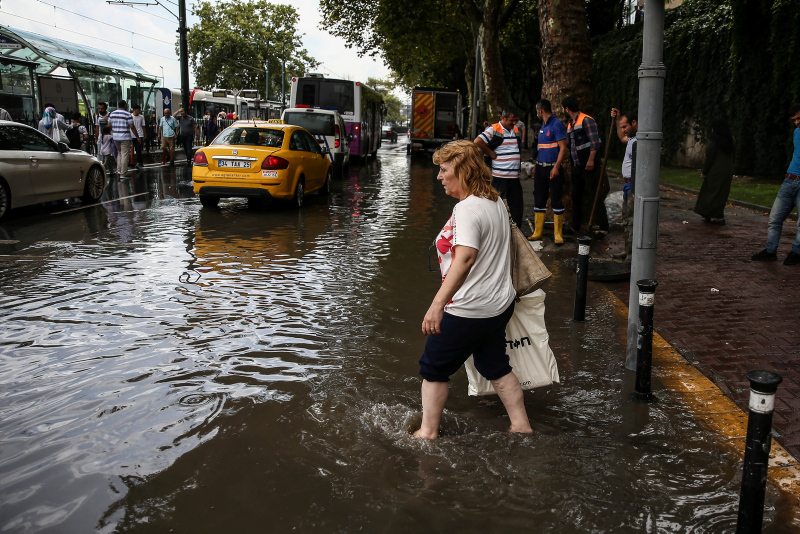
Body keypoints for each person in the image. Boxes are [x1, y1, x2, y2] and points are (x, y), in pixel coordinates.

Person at [414, 140, 533, 440]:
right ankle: (521, 426)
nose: (439, 176)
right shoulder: (495, 202)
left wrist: (437, 304)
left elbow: (466, 258)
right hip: (498, 305)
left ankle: (427, 433)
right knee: (493, 363)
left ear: (463, 171)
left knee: (434, 368)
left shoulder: (467, 209)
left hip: (469, 308)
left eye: (443, 170)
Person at [751, 105, 800, 266]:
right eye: (794, 120)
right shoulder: (796, 132)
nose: (797, 122)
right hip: (789, 180)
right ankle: (770, 251)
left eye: (799, 118)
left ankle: (796, 252)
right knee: (774, 218)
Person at [562, 96, 607, 236]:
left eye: (563, 108)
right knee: (576, 196)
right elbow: (570, 144)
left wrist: (591, 160)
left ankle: (603, 227)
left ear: (567, 109)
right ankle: (575, 226)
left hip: (589, 165)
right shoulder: (571, 124)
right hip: (577, 166)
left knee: (595, 195)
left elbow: (595, 142)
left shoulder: (586, 120)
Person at [474, 108, 524, 226]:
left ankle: (515, 232)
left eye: (516, 120)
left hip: (514, 178)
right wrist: (491, 153)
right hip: (500, 178)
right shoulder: (494, 129)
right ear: (503, 118)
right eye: (511, 120)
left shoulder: (516, 129)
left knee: (516, 207)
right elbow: (477, 141)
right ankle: (499, 230)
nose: (514, 123)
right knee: (499, 207)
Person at [529, 99, 568, 244]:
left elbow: (563, 148)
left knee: (556, 199)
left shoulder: (556, 124)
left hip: (553, 168)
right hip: (540, 168)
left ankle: (558, 234)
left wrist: (557, 167)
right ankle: (537, 232)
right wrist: (535, 167)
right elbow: (541, 149)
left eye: (537, 111)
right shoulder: (542, 127)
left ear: (540, 111)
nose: (537, 114)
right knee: (539, 198)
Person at [694, 118, 734, 226]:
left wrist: (705, 171)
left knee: (710, 192)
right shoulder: (729, 140)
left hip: (715, 170)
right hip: (727, 170)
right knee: (721, 193)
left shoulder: (714, 140)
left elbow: (710, 157)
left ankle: (714, 215)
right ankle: (714, 214)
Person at [611, 108, 638, 261]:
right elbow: (622, 138)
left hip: (633, 185)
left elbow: (639, 167)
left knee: (632, 219)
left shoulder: (640, 140)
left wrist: (635, 188)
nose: (623, 130)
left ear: (634, 123)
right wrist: (617, 120)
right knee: (626, 219)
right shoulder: (631, 138)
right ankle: (627, 250)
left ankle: (633, 254)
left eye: (625, 126)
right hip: (627, 184)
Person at [108, 100, 141, 176]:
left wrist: (114, 132)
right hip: (125, 137)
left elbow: (109, 125)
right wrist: (137, 137)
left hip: (115, 137)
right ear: (125, 105)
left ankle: (118, 170)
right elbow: (132, 127)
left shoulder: (112, 114)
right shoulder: (127, 114)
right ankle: (123, 173)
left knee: (119, 153)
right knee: (125, 155)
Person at [131, 104, 146, 169]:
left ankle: (139, 162)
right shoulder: (130, 116)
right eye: (138, 110)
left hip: (140, 134)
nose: (139, 111)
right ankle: (132, 162)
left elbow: (143, 126)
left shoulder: (141, 117)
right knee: (131, 150)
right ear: (135, 110)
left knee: (138, 149)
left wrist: (145, 134)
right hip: (132, 135)